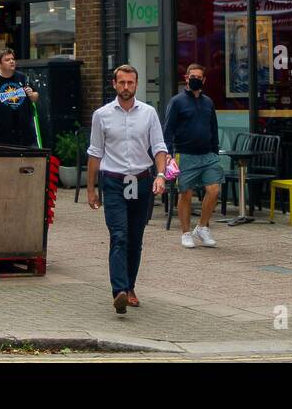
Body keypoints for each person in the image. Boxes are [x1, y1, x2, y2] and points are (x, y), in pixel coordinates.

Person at [87, 64, 168, 315]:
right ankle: (119, 291)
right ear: (114, 84)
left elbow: (159, 146)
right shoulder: (101, 115)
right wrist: (91, 189)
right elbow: (95, 153)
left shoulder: (149, 113)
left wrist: (161, 175)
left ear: (136, 84)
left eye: (130, 83)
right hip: (113, 181)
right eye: (121, 83)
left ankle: (130, 286)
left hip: (142, 180)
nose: (126, 87)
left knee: (135, 238)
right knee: (119, 235)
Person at [164, 63, 222, 249]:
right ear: (186, 79)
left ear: (204, 80)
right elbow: (168, 129)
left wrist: (215, 149)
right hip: (185, 154)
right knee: (186, 193)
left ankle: (202, 227)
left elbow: (213, 127)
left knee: (213, 190)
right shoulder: (177, 102)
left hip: (207, 155)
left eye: (199, 77)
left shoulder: (208, 102)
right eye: (192, 76)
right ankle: (186, 232)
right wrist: (168, 153)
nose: (196, 79)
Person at [0, 49, 39, 147]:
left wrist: (32, 95)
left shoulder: (22, 77)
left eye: (13, 59)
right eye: (7, 60)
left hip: (25, 137)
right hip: (2, 139)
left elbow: (35, 96)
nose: (12, 61)